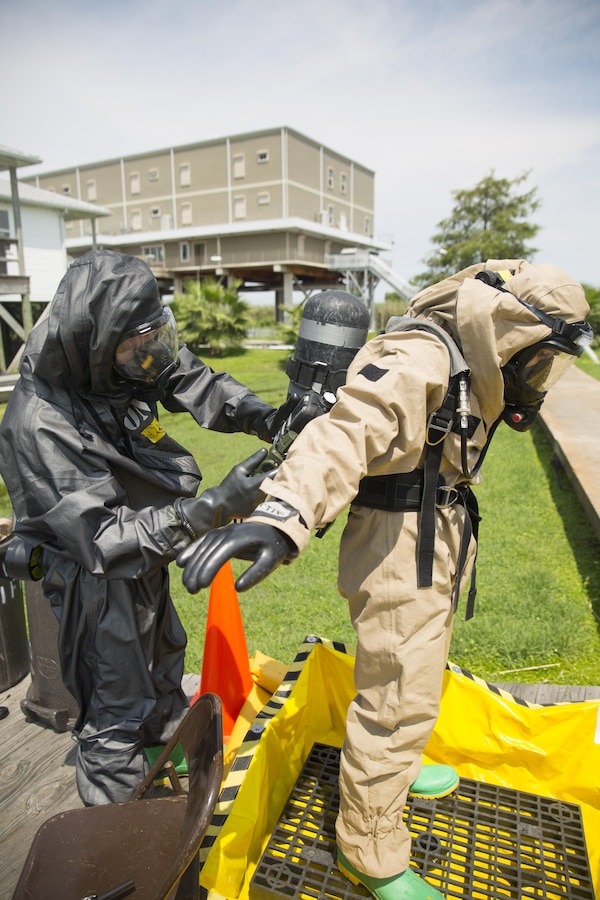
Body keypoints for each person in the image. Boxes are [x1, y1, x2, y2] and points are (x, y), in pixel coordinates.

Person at [177, 260, 592, 900]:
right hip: (402, 544)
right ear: (505, 331)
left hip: (435, 534)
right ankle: (368, 850)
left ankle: (392, 767)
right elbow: (346, 431)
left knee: (412, 674)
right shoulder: (419, 356)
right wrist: (284, 516)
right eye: (536, 362)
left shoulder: (462, 361)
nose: (536, 378)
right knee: (398, 688)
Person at [0, 248, 280, 806]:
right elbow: (102, 542)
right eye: (137, 346)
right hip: (90, 570)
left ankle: (167, 765)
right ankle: (120, 834)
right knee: (115, 695)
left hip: (145, 537)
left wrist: (263, 416)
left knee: (162, 653)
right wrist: (215, 506)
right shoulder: (40, 421)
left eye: (153, 337)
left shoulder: (113, 361)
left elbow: (188, 377)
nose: (149, 356)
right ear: (99, 344)